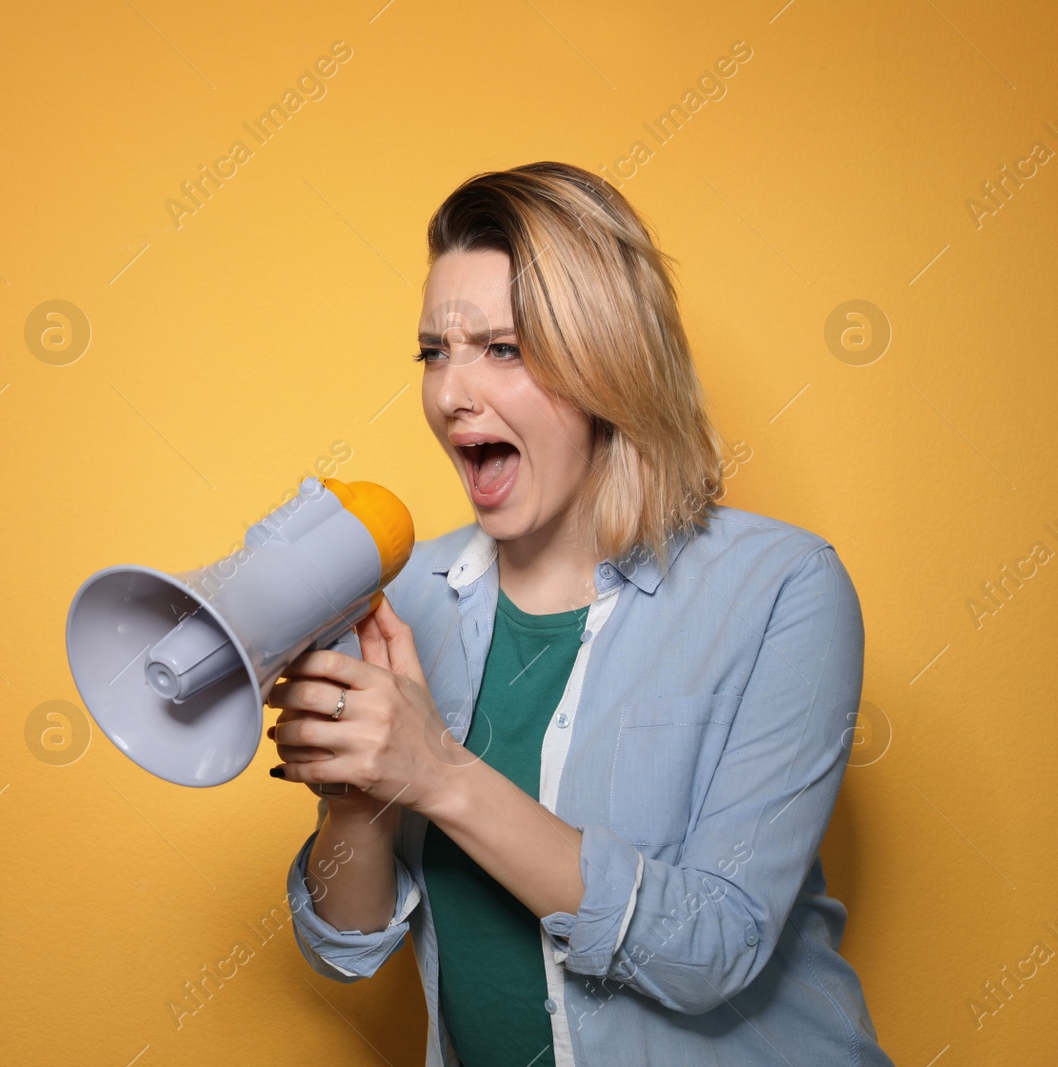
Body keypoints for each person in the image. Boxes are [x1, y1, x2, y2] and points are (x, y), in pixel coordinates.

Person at [266, 162, 891, 1066]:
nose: (451, 394)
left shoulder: (783, 588)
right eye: (434, 352)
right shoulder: (407, 600)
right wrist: (358, 798)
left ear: (609, 361)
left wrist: (436, 769)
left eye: (503, 349)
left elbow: (717, 946)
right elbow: (349, 950)